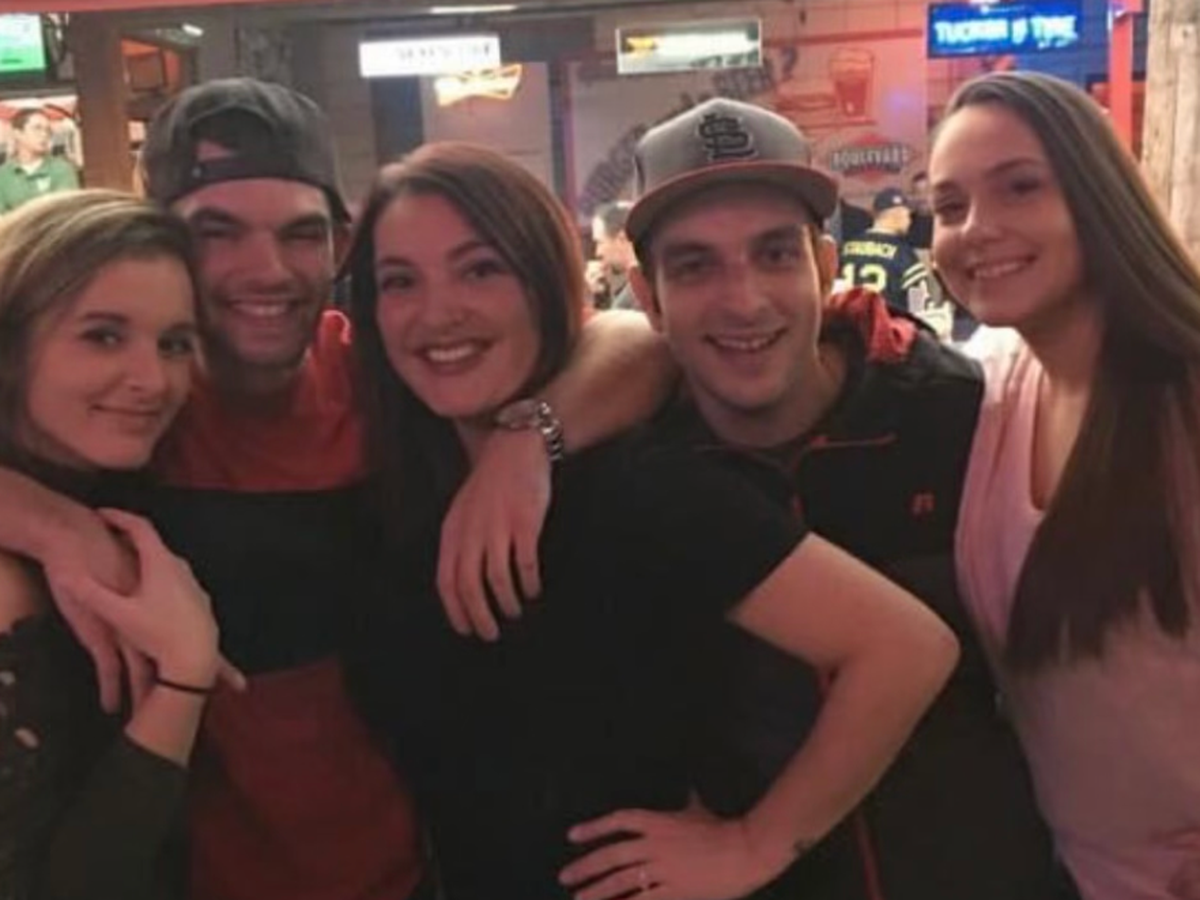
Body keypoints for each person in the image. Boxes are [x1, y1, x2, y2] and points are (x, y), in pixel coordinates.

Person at [0, 78, 675, 900]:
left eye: (300, 234)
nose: (266, 270)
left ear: (340, 246)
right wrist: (53, 525)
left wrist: (526, 441)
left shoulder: (386, 382)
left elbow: (638, 340)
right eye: (217, 232)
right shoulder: (132, 412)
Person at [343, 140, 958, 900]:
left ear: (545, 284)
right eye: (399, 281)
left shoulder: (637, 487)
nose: (439, 313)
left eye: (480, 270)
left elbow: (906, 647)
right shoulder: (388, 498)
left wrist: (752, 846)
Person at [621, 97, 1069, 899]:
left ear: (826, 268)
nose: (745, 300)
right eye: (694, 267)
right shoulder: (630, 471)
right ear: (646, 298)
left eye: (775, 254)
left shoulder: (959, 414)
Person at [931, 70, 1200, 900]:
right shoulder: (991, 380)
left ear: (1098, 197)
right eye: (948, 205)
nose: (978, 228)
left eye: (1020, 187)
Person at [0, 189, 219, 899]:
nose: (152, 380)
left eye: (174, 344)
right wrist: (184, 677)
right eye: (102, 336)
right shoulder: (10, 589)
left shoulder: (118, 492)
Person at [839, 187, 932, 314]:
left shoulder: (846, 249)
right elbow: (919, 307)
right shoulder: (903, 255)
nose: (910, 221)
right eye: (908, 215)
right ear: (897, 214)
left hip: (848, 323)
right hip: (886, 324)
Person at [0, 109, 80, 213]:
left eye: (47, 130)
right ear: (18, 133)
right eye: (37, 128)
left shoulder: (61, 169)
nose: (44, 134)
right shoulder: (3, 175)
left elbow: (66, 211)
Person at [587, 201, 639, 310]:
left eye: (600, 242)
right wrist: (600, 295)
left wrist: (587, 295)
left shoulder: (637, 292)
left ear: (622, 239)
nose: (598, 252)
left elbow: (612, 318)